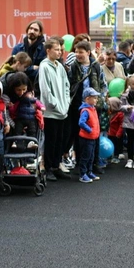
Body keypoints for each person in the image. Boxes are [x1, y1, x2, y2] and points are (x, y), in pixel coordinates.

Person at [67, 40, 106, 175]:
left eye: (81, 52)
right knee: (80, 135)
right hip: (78, 106)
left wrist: (100, 99)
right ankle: (80, 163)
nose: (78, 55)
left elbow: (103, 84)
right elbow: (69, 84)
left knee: (95, 134)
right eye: (76, 52)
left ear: (88, 53)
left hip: (94, 107)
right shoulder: (73, 66)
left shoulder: (96, 66)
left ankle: (94, 163)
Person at [38, 39, 71, 183]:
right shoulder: (44, 66)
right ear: (48, 50)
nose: (59, 52)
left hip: (63, 111)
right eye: (56, 49)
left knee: (60, 140)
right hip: (51, 112)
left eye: (60, 49)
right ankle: (49, 167)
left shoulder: (60, 66)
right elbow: (45, 91)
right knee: (51, 141)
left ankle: (57, 166)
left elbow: (66, 86)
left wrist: (66, 102)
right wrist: (56, 105)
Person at [6, 72, 43, 149]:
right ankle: (16, 143)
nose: (21, 92)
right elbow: (10, 112)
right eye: (18, 90)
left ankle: (31, 144)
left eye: (24, 89)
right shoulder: (8, 96)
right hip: (15, 120)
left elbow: (37, 104)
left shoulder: (29, 95)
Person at [77, 87, 101, 183]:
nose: (96, 100)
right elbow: (81, 122)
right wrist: (89, 130)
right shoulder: (86, 110)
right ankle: (83, 174)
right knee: (86, 156)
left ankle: (89, 171)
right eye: (94, 98)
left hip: (92, 137)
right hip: (87, 138)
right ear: (87, 99)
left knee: (91, 156)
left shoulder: (92, 109)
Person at [107, 97, 124, 164]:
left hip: (116, 134)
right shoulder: (110, 113)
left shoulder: (119, 114)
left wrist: (118, 133)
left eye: (110, 105)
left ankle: (116, 156)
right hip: (110, 133)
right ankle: (109, 155)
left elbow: (121, 125)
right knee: (110, 145)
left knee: (117, 146)